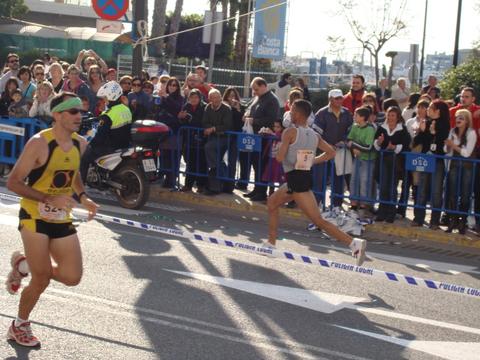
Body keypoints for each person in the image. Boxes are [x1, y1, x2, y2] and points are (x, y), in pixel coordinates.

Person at [5, 92, 99, 347]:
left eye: (80, 111)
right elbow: (13, 181)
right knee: (42, 278)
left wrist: (83, 196)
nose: (79, 116)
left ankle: (23, 265)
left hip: (61, 217)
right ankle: (19, 325)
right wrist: (48, 198)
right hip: (34, 216)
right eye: (73, 111)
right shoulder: (39, 143)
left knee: (72, 277)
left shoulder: (80, 144)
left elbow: (73, 173)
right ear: (57, 115)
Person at [265, 99, 367, 266]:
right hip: (300, 178)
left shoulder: (289, 132)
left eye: (291, 111)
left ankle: (353, 243)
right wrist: (312, 161)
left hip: (296, 181)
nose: (290, 113)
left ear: (297, 114)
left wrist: (277, 150)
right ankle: (271, 243)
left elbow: (280, 158)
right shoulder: (315, 135)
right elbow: (331, 153)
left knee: (318, 221)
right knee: (272, 203)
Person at [80, 81, 132, 183]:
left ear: (110, 97)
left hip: (109, 147)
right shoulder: (126, 109)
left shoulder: (108, 114)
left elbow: (99, 137)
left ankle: (81, 186)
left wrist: (89, 143)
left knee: (84, 156)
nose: (104, 100)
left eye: (104, 98)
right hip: (124, 145)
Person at [410, 100, 450, 228]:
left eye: (431, 108)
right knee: (421, 190)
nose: (428, 110)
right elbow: (416, 142)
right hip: (425, 160)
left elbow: (441, 142)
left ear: (438, 110)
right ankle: (418, 218)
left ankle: (434, 221)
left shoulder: (445, 124)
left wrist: (433, 133)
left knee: (436, 192)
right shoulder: (426, 122)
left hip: (437, 161)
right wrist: (421, 131)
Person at [314, 88, 353, 209]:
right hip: (323, 152)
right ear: (330, 99)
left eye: (341, 98)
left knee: (339, 178)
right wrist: (327, 145)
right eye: (337, 98)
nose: (340, 100)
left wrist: (344, 140)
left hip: (340, 151)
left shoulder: (347, 113)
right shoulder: (321, 113)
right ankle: (317, 203)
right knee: (320, 179)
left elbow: (350, 131)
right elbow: (316, 133)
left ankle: (337, 204)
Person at [243, 77, 280, 202]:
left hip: (265, 137)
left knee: (262, 165)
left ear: (264, 86)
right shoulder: (258, 98)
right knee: (255, 164)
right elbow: (250, 110)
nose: (254, 92)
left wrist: (255, 121)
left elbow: (271, 119)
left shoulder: (272, 100)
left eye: (256, 89)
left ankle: (261, 192)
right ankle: (257, 189)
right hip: (255, 136)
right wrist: (247, 115)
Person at [373, 106, 411, 223]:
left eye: (393, 115)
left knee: (392, 188)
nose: (390, 117)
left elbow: (406, 144)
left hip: (396, 161)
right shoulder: (381, 128)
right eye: (389, 115)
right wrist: (378, 143)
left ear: (398, 116)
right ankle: (382, 212)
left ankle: (391, 213)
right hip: (383, 160)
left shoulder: (402, 129)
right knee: (383, 187)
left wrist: (394, 147)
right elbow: (376, 143)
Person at [444, 109, 477, 234]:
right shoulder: (452, 131)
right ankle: (452, 221)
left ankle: (462, 223)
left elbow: (467, 153)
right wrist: (448, 146)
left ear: (467, 121)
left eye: (461, 118)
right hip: (454, 165)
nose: (458, 120)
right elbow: (447, 150)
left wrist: (453, 145)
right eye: (457, 117)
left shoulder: (471, 133)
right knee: (452, 193)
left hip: (467, 166)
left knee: (465, 195)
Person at [202, 89, 233, 195]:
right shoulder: (208, 108)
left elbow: (227, 125)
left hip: (223, 137)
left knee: (209, 148)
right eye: (213, 97)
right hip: (212, 136)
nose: (216, 99)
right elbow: (205, 122)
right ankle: (222, 177)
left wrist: (213, 129)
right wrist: (209, 128)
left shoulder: (226, 109)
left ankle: (216, 172)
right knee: (217, 159)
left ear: (220, 97)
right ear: (209, 99)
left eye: (217, 97)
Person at [347, 106, 376, 215]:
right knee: (353, 180)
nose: (354, 117)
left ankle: (364, 204)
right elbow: (349, 139)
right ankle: (354, 203)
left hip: (368, 160)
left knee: (365, 181)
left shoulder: (370, 129)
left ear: (363, 117)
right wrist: (354, 147)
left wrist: (354, 146)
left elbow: (368, 147)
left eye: (356, 115)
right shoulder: (355, 127)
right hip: (357, 158)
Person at [178, 89, 207, 193]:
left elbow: (203, 122)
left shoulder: (204, 107)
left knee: (201, 163)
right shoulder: (186, 106)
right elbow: (182, 122)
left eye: (196, 97)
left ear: (200, 98)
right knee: (190, 162)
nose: (193, 99)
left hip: (201, 139)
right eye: (191, 97)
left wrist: (190, 118)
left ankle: (201, 185)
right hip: (189, 139)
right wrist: (181, 117)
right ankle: (188, 185)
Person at [261, 120, 285, 194]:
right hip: (272, 158)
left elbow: (278, 136)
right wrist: (264, 133)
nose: (276, 128)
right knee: (270, 176)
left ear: (282, 128)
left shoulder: (283, 135)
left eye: (278, 127)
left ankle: (281, 194)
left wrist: (271, 133)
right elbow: (268, 136)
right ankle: (271, 193)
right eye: (274, 126)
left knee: (280, 178)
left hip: (279, 160)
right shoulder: (273, 135)